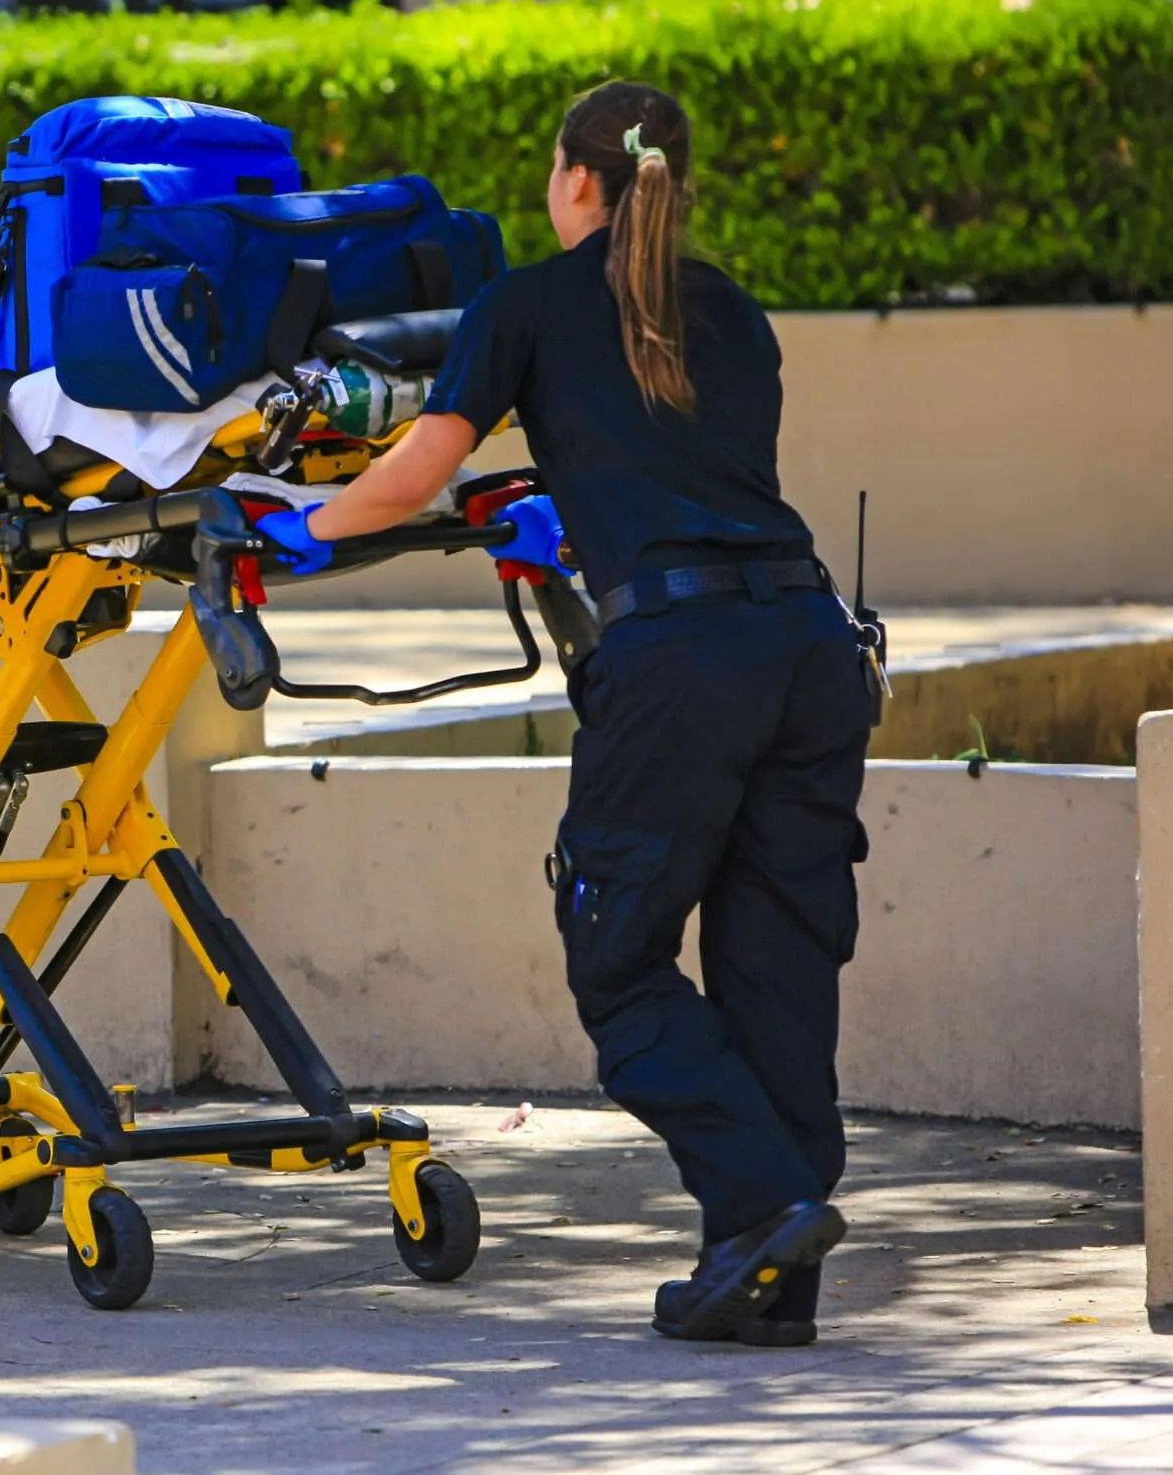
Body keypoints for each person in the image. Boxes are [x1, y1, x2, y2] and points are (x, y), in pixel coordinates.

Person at [256, 81, 875, 1347]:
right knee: (778, 968)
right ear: (674, 183)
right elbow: (683, 471)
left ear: (574, 182)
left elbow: (422, 469)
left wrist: (297, 527)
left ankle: (763, 1208)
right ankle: (769, 1280)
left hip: (681, 662)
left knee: (619, 961)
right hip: (805, 643)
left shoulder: (525, 303)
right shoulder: (735, 313)